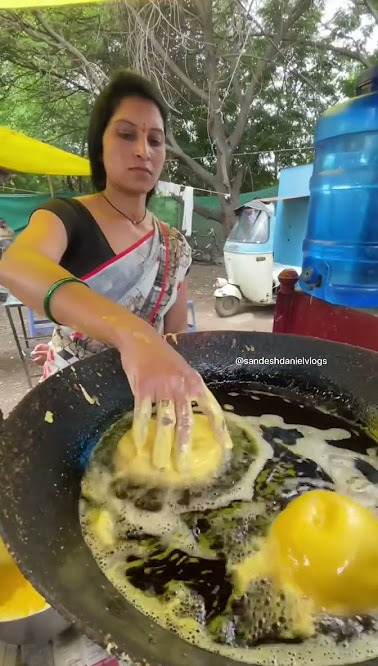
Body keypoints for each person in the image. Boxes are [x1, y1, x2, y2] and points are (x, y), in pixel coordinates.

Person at [0, 70, 231, 469]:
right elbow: (17, 265)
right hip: (75, 400)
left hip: (146, 398)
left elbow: (175, 338)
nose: (143, 149)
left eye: (155, 140)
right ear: (99, 145)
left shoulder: (172, 243)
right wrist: (132, 334)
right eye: (126, 134)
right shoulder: (67, 216)